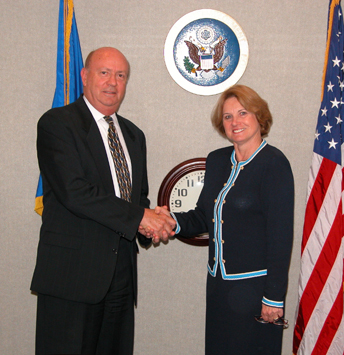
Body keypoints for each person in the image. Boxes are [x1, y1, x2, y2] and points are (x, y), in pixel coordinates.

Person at [31, 47, 175, 355]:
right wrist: (141, 217)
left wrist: (150, 223)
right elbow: (75, 191)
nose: (112, 82)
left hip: (121, 276)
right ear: (85, 76)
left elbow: (138, 197)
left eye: (120, 75)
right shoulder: (58, 124)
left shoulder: (135, 135)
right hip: (72, 276)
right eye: (104, 72)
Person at [157, 84, 294, 354]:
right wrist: (169, 220)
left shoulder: (274, 164)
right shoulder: (217, 160)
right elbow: (202, 217)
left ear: (259, 117)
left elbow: (280, 238)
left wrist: (274, 298)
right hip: (218, 287)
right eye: (228, 116)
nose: (235, 122)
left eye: (243, 113)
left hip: (256, 291)